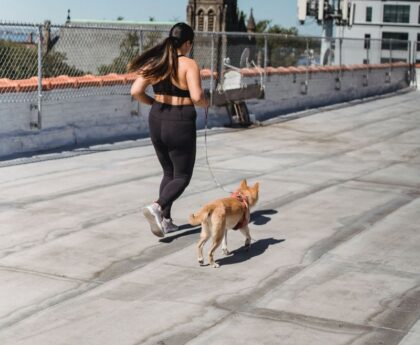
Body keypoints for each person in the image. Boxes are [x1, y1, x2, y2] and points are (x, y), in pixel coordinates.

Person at [129, 22, 208, 238]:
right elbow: (197, 97)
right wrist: (206, 104)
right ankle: (157, 206)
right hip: (180, 121)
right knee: (182, 176)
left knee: (168, 172)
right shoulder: (189, 64)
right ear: (187, 43)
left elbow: (135, 91)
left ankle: (166, 220)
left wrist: (153, 103)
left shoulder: (157, 61)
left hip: (157, 118)